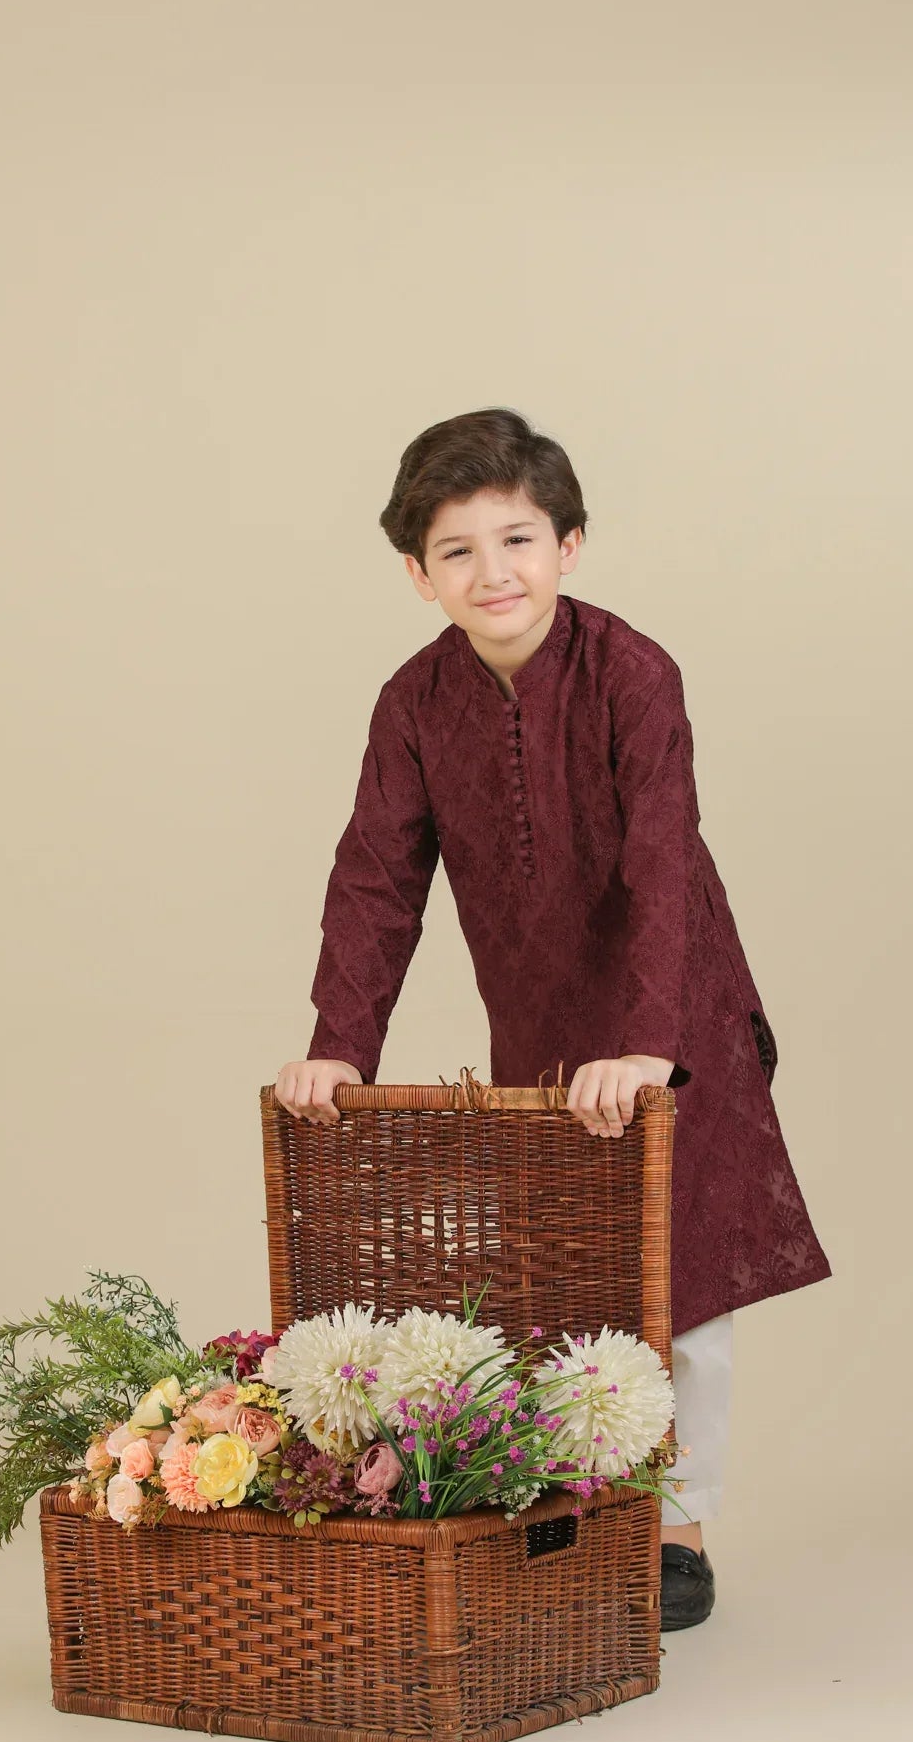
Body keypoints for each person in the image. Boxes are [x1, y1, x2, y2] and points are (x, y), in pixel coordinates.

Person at [274, 407, 832, 1629]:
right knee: (566, 1275)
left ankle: (677, 1524)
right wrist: (336, 1045)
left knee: (681, 1278)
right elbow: (376, 876)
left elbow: (661, 864)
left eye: (518, 538)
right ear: (419, 575)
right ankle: (577, 1504)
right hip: (538, 1021)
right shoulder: (413, 703)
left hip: (677, 1007)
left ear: (571, 543)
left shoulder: (634, 672)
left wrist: (647, 1043)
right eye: (459, 550)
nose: (495, 572)